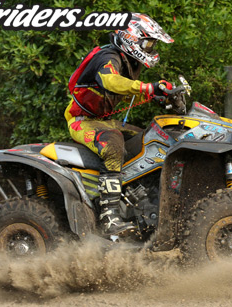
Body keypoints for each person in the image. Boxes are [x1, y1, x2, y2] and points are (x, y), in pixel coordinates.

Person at [64, 13, 174, 236]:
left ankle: (140, 200)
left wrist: (162, 95)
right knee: (114, 145)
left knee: (150, 137)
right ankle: (109, 216)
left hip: (104, 121)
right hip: (82, 122)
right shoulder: (108, 57)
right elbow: (109, 81)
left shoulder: (128, 62)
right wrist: (148, 88)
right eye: (148, 43)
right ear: (131, 38)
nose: (151, 49)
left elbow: (126, 90)